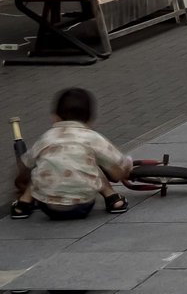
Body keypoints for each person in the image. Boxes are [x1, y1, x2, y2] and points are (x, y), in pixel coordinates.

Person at [11, 88, 132, 219]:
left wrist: (20, 183)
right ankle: (113, 199)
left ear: (55, 117)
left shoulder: (46, 138)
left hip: (48, 206)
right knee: (93, 165)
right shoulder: (92, 137)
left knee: (40, 170)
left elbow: (25, 165)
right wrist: (124, 170)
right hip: (82, 205)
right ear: (90, 120)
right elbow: (118, 166)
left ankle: (22, 205)